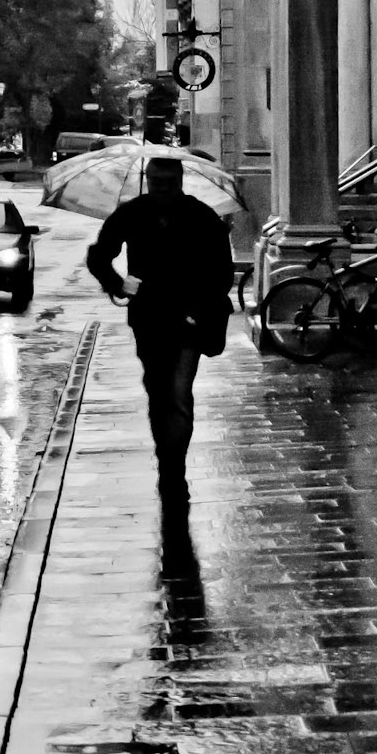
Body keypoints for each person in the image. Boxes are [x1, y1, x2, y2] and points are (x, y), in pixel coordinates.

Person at [85, 154, 234, 561]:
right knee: (157, 390)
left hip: (188, 320)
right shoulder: (132, 213)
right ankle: (166, 454)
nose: (163, 188)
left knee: (179, 393)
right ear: (147, 180)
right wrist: (118, 284)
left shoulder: (201, 216)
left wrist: (201, 304)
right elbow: (99, 254)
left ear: (180, 181)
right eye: (156, 181)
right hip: (149, 318)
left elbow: (222, 270)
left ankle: (173, 466)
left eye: (169, 182)